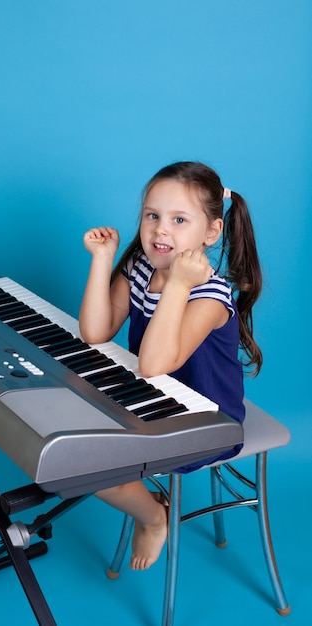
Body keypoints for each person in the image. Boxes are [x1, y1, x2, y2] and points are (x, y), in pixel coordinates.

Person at [79, 161, 262, 571]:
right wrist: (103, 259)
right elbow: (95, 331)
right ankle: (152, 508)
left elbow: (155, 364)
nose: (161, 229)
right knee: (73, 452)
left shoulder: (210, 297)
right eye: (152, 216)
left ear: (211, 232)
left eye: (180, 219)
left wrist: (178, 284)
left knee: (88, 465)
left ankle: (152, 517)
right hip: (149, 400)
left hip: (204, 420)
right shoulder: (141, 268)